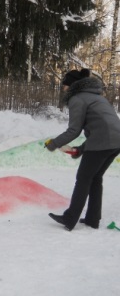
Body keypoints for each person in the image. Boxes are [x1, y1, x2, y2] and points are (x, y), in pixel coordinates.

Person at [45, 68, 120, 231]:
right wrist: (80, 149)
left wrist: (54, 144)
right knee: (95, 178)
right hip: (116, 141)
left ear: (72, 85)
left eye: (64, 85)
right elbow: (102, 127)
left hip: (104, 141)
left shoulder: (77, 98)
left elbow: (74, 130)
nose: (63, 88)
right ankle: (93, 219)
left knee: (83, 178)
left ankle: (70, 218)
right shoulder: (97, 97)